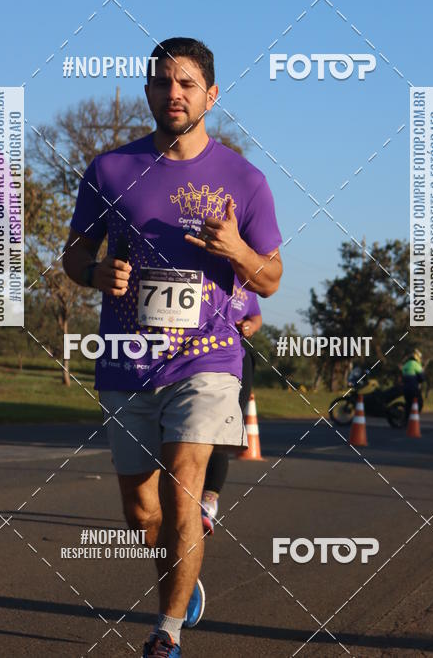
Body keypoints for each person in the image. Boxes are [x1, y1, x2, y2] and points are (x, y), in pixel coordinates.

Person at [63, 37, 282, 657]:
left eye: (187, 83)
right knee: (141, 513)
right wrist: (95, 273)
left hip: (206, 361)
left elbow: (269, 276)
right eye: (162, 83)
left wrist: (237, 250)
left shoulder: (244, 178)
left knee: (186, 483)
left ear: (211, 94)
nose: (174, 93)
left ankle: (168, 630)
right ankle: (182, 587)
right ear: (150, 93)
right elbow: (74, 253)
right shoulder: (109, 169)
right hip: (126, 362)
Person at [201, 277, 262, 534]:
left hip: (237, 362)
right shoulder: (207, 275)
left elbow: (256, 316)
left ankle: (207, 503)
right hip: (199, 359)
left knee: (220, 431)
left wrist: (249, 326)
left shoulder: (247, 280)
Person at [401, 348, 425, 422]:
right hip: (413, 388)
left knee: (408, 404)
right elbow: (422, 377)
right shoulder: (416, 365)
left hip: (405, 389)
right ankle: (413, 419)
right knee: (419, 403)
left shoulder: (405, 365)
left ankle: (405, 421)